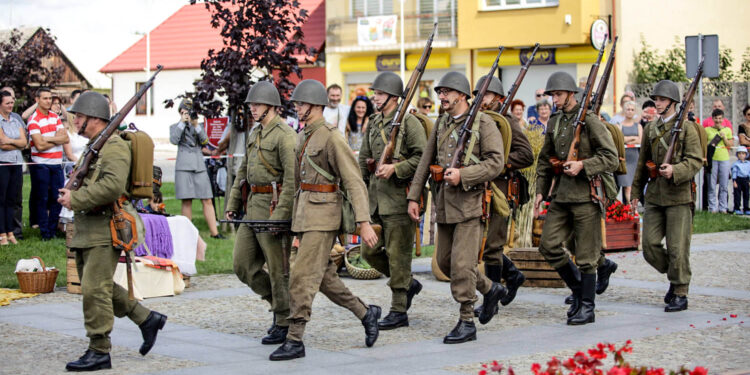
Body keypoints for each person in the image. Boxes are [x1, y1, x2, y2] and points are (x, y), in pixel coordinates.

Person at [269, 79, 380, 361]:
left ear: (316, 105)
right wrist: (294, 223)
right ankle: (366, 313)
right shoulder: (302, 136)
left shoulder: (332, 137)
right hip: (306, 216)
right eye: (295, 103)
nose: (297, 107)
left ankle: (295, 338)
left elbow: (354, 182)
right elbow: (296, 185)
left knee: (301, 277)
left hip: (324, 215)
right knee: (325, 279)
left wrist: (363, 222)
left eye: (301, 103)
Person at [57, 92, 167, 371]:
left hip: (107, 227)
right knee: (97, 286)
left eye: (79, 116)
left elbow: (112, 186)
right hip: (90, 226)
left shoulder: (114, 146)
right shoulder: (95, 146)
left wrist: (76, 199)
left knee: (95, 290)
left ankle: (99, 349)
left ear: (94, 119)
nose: (75, 121)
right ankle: (146, 318)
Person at [406, 71, 507, 344]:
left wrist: (465, 175)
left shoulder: (483, 123)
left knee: (463, 266)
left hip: (471, 204)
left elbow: (496, 163)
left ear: (462, 94)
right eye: (440, 92)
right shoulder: (441, 124)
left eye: (447, 92)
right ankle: (490, 289)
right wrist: (414, 197)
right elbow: (425, 163)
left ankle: (466, 321)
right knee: (445, 263)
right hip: (445, 204)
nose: (442, 96)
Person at [533, 71, 618, 325]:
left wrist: (584, 165)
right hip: (561, 195)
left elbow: (610, 157)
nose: (554, 100)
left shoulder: (590, 121)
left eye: (558, 94)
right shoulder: (556, 121)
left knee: (586, 255)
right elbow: (545, 160)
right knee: (547, 246)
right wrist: (540, 190)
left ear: (571, 94)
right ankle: (579, 290)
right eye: (552, 95)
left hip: (585, 195)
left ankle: (588, 307)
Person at [224, 81, 295, 345]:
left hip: (274, 206)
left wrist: (281, 215)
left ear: (271, 106)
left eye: (257, 104)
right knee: (242, 265)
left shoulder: (285, 135)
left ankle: (284, 320)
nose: (252, 109)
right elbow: (241, 172)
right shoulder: (255, 133)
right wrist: (232, 204)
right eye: (251, 104)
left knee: (278, 269)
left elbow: (292, 180)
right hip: (252, 205)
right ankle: (278, 303)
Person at [357, 72, 426, 330]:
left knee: (399, 257)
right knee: (369, 251)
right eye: (375, 93)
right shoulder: (374, 122)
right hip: (376, 201)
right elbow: (364, 159)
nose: (376, 97)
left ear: (394, 98)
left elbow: (422, 158)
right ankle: (407, 284)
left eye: (381, 93)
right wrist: (358, 191)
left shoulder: (410, 124)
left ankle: (399, 310)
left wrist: (396, 168)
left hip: (399, 200)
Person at [631, 80, 702, 312]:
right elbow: (642, 163)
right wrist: (635, 192)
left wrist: (676, 170)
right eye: (656, 100)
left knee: (677, 247)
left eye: (661, 100)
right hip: (654, 195)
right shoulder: (651, 128)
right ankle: (674, 274)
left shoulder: (688, 128)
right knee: (649, 245)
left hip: (679, 196)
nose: (657, 104)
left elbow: (695, 160)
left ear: (673, 102)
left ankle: (680, 290)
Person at [471, 74, 533, 315]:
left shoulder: (506, 121)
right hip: (480, 189)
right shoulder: (478, 118)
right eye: (479, 95)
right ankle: (513, 275)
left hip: (500, 190)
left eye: (486, 95)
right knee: (485, 246)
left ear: (498, 97)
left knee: (493, 247)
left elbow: (526, 155)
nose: (481, 99)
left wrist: (500, 162)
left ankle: (491, 302)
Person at [169, 100, 223, 238]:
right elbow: (174, 140)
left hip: (198, 165)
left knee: (207, 199)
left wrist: (195, 125)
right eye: (184, 112)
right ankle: (187, 234)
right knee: (187, 200)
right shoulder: (175, 126)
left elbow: (205, 141)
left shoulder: (197, 126)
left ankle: (214, 233)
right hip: (184, 166)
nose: (187, 114)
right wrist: (182, 122)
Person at [27, 87, 68, 240]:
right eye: (45, 98)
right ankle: (45, 232)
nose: (48, 101)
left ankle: (52, 230)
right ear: (37, 100)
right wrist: (54, 139)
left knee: (56, 198)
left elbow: (65, 139)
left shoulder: (55, 117)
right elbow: (39, 146)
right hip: (41, 164)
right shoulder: (33, 120)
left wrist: (47, 138)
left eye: (50, 98)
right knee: (42, 198)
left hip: (56, 163)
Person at [0, 91, 26, 245]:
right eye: (7, 103)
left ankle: (10, 232)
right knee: (1, 199)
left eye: (12, 102)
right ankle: (2, 233)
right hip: (2, 164)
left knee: (12, 199)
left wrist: (9, 141)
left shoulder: (16, 121)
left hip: (16, 163)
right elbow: (0, 143)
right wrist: (16, 142)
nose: (11, 105)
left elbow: (24, 143)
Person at [705, 108, 733, 213]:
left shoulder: (727, 130)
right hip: (712, 159)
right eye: (716, 118)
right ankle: (712, 208)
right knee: (711, 185)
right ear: (712, 119)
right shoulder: (707, 130)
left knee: (724, 185)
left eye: (720, 118)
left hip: (724, 158)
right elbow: (704, 144)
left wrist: (724, 137)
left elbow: (730, 145)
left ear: (723, 119)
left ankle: (723, 208)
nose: (718, 120)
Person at [616, 101, 643, 204]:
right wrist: (633, 137)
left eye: (632, 110)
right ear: (624, 110)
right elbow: (620, 139)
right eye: (628, 109)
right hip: (623, 159)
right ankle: (631, 209)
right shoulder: (619, 125)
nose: (630, 112)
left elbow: (640, 140)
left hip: (635, 159)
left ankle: (632, 208)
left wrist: (627, 138)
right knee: (627, 186)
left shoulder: (638, 126)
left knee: (632, 186)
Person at [731, 146, 750, 215]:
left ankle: (746, 208)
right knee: (737, 195)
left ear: (746, 155)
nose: (741, 155)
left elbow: (749, 172)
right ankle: (737, 208)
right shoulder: (736, 164)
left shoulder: (748, 164)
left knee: (746, 195)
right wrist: (734, 181)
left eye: (743, 153)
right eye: (739, 153)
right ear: (737, 155)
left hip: (746, 180)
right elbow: (734, 172)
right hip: (738, 179)